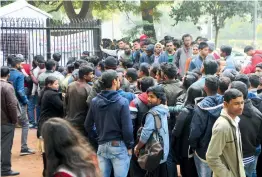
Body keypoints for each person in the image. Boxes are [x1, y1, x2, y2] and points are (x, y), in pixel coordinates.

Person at [85, 70, 134, 177]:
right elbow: (127, 128)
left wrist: (98, 136)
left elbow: (88, 125)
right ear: (114, 82)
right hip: (119, 145)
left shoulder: (95, 101)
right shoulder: (122, 102)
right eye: (118, 79)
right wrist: (130, 146)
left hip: (102, 144)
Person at [206, 89, 246, 177]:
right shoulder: (223, 126)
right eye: (236, 103)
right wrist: (228, 175)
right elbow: (211, 157)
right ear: (225, 104)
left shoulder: (235, 120)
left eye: (242, 102)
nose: (241, 107)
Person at [189, 75, 223, 177]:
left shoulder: (200, 108)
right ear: (218, 88)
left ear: (205, 88)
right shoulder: (225, 103)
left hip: (204, 151)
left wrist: (193, 146)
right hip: (221, 150)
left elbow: (195, 132)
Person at [134, 85, 169, 177]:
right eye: (148, 96)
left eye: (152, 97)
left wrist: (137, 147)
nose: (148, 99)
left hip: (154, 153)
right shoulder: (164, 110)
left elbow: (145, 134)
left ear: (160, 99)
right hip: (162, 151)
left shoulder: (152, 114)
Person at [230, 81, 262, 177]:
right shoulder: (258, 114)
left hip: (234, 158)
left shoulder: (230, 114)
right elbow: (258, 139)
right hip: (250, 156)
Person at [172, 85, 203, 177]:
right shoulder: (203, 108)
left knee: (187, 171)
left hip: (186, 148)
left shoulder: (186, 111)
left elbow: (176, 131)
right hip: (199, 146)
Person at [8, 57, 35, 156]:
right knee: (25, 124)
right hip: (18, 103)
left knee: (9, 125)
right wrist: (25, 101)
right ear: (17, 64)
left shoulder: (6, 73)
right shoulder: (19, 74)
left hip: (7, 102)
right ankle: (24, 148)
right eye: (20, 64)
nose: (22, 65)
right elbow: (20, 90)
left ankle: (7, 149)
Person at [129, 77, 155, 177]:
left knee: (137, 166)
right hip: (154, 140)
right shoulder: (157, 100)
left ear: (140, 86)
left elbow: (131, 124)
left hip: (138, 138)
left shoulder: (135, 102)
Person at [1, 67, 20, 176]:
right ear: (8, 75)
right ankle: (5, 169)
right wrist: (14, 120)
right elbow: (12, 105)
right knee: (6, 146)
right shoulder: (8, 87)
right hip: (5, 121)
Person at [65, 65, 94, 135]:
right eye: (91, 74)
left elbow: (65, 104)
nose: (93, 76)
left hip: (70, 120)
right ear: (85, 76)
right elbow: (91, 107)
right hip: (82, 123)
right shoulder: (89, 88)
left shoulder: (70, 86)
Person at [29, 55, 46, 128]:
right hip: (43, 91)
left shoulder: (36, 70)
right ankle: (39, 122)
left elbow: (36, 83)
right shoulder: (45, 68)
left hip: (38, 91)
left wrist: (33, 92)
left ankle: (35, 123)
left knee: (35, 106)